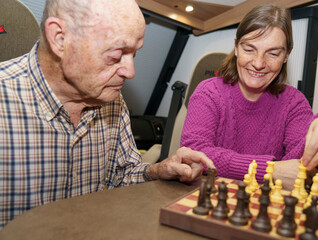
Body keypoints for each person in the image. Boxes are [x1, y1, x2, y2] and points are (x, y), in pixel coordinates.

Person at [0, 0, 215, 229]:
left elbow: (122, 176)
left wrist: (157, 170)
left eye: (135, 55)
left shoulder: (111, 100)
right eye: (114, 56)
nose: (130, 72)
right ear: (60, 38)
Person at [181, 3, 318, 190]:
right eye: (249, 49)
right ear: (236, 47)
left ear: (286, 55)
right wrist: (269, 170)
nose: (259, 63)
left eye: (273, 53)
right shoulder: (209, 92)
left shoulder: (294, 103)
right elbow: (194, 153)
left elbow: (304, 170)